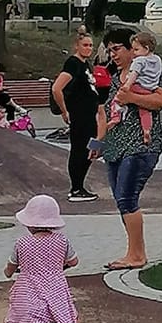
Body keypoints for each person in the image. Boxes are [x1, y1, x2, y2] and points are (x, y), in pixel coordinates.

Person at [92, 27, 162, 272]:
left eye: (118, 49)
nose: (113, 54)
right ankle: (134, 251)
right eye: (110, 50)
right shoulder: (116, 78)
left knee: (127, 197)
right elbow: (105, 113)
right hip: (116, 147)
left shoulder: (146, 72)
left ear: (133, 49)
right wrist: (97, 144)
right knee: (121, 199)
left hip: (140, 145)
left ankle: (137, 254)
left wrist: (132, 99)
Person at [0, 193, 87, 323]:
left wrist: (8, 272)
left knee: (18, 312)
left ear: (29, 223)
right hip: (55, 284)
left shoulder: (22, 243)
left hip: (28, 285)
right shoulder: (62, 241)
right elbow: (74, 261)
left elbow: (12, 265)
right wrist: (61, 265)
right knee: (68, 309)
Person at [53, 27, 103, 200]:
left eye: (91, 45)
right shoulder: (73, 64)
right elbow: (57, 88)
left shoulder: (86, 64)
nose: (89, 48)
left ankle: (81, 184)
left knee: (92, 148)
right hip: (79, 114)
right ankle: (76, 188)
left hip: (91, 114)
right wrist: (64, 111)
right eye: (85, 45)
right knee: (79, 150)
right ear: (77, 46)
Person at [116, 30, 162, 146]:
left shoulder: (139, 61)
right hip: (150, 87)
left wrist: (128, 88)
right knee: (145, 111)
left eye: (136, 50)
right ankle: (146, 130)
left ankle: (118, 112)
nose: (134, 53)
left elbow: (134, 75)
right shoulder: (157, 60)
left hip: (137, 86)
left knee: (119, 98)